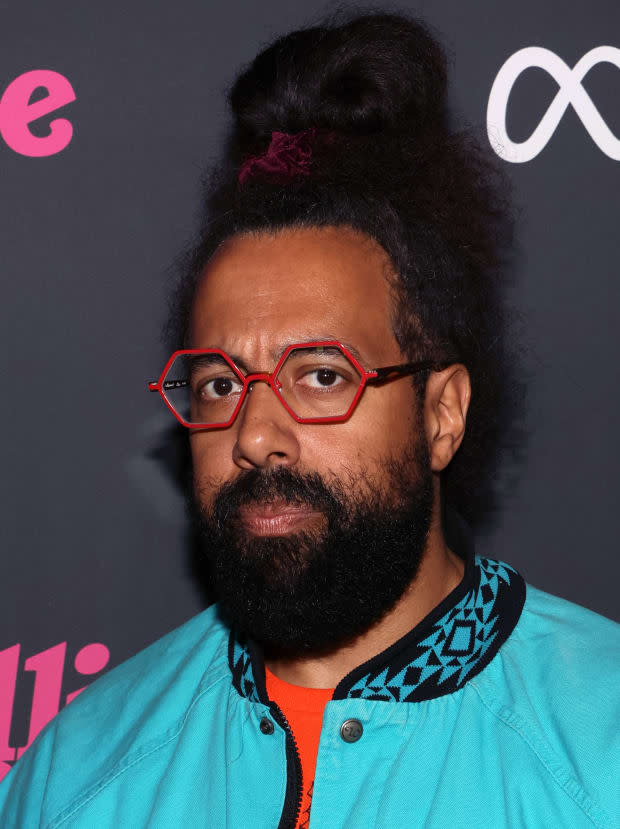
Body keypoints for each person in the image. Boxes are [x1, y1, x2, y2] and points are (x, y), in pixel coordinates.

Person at [1, 11, 618, 829]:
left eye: (321, 375)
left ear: (440, 413)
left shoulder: (597, 750)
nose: (254, 435)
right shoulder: (78, 772)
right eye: (220, 385)